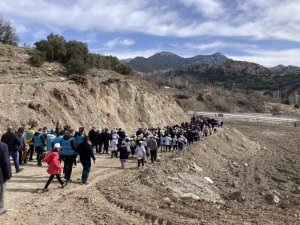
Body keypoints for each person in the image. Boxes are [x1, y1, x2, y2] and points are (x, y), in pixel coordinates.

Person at [0, 141, 12, 215]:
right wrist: (8, 174)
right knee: (1, 189)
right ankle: (0, 207)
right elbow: (6, 161)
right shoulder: (2, 145)